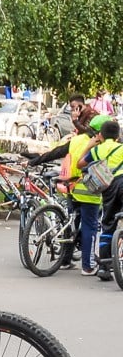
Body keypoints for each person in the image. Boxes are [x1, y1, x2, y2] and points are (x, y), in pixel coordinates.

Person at [27, 117, 104, 275]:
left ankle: (66, 260)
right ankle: (87, 266)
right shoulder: (100, 144)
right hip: (89, 190)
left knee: (70, 224)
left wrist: (34, 161)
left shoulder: (76, 140)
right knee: (90, 227)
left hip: (72, 187)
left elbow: (58, 152)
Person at [76, 118, 123, 280]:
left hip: (108, 188)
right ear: (118, 136)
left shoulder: (98, 150)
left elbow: (80, 164)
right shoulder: (121, 148)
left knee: (107, 224)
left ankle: (104, 266)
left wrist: (89, 146)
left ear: (101, 135)